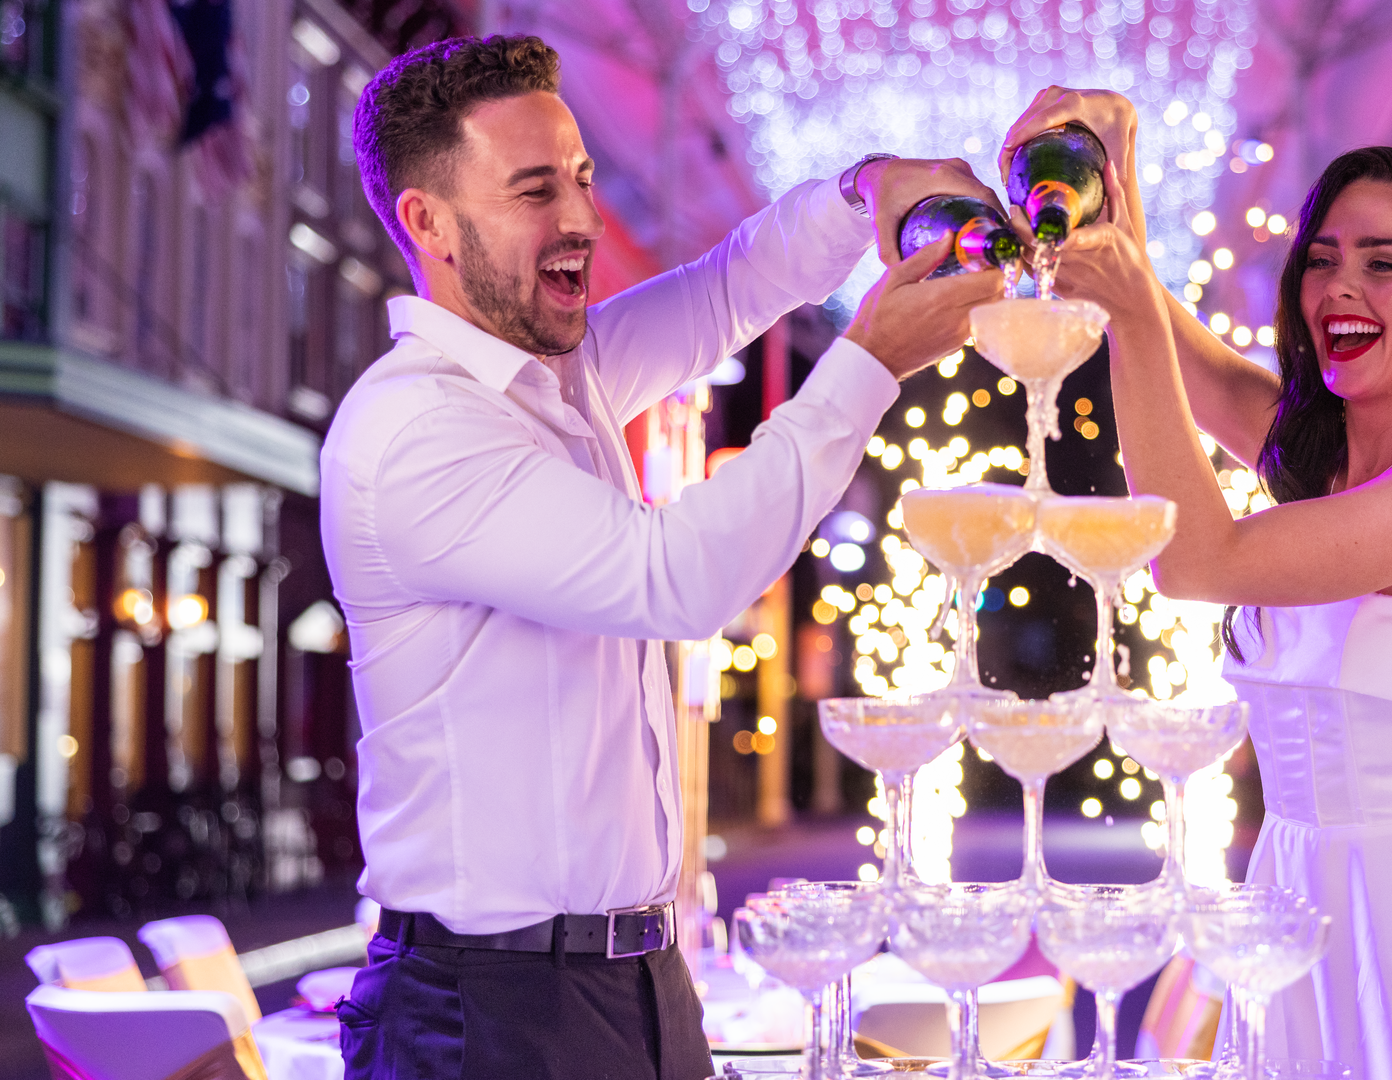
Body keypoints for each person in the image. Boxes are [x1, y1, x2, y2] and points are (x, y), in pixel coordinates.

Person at [322, 35, 1004, 1080]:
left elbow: (731, 288)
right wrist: (868, 364)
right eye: (536, 189)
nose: (584, 220)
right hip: (492, 1010)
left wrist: (866, 189)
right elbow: (676, 578)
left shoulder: (558, 373)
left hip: (633, 981)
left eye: (585, 179)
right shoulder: (418, 430)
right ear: (429, 224)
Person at [1007, 91, 1392, 1078]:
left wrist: (1118, 291)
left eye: (1384, 263)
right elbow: (1177, 353)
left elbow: (1198, 562)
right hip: (1285, 891)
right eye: (1323, 259)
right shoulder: (1314, 454)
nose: (1340, 287)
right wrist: (1119, 183)